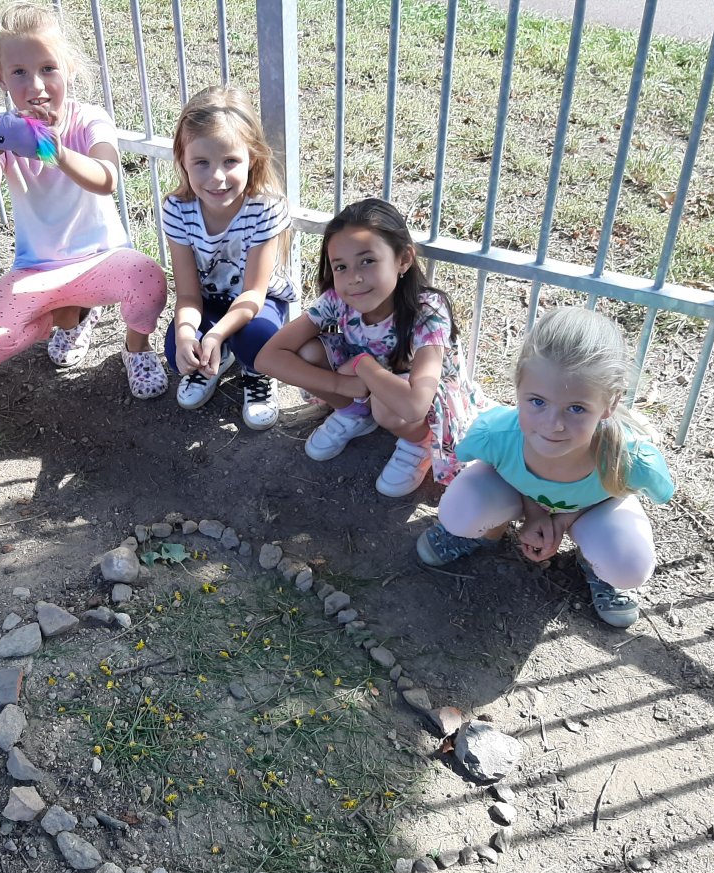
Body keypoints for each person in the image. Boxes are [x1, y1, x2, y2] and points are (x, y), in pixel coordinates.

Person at [0, 1, 169, 399]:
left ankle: (136, 348)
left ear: (68, 68)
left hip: (103, 260)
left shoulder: (88, 119)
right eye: (19, 72)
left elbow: (106, 179)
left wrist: (54, 153)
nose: (36, 85)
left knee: (149, 277)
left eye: (48, 68)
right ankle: (72, 317)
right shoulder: (1, 130)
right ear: (1, 77)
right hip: (38, 269)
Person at [415, 307, 675, 628]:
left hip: (594, 508)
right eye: (537, 401)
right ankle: (488, 533)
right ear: (518, 386)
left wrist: (562, 521)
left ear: (611, 403)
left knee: (629, 564)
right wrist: (535, 514)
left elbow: (639, 492)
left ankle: (595, 563)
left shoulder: (629, 460)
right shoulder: (495, 435)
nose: (553, 424)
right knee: (459, 510)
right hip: (518, 495)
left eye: (576, 408)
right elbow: (495, 468)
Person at [256, 198, 487, 494]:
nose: (354, 278)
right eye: (341, 266)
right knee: (307, 353)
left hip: (417, 399)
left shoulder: (427, 311)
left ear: (403, 259)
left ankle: (418, 441)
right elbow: (268, 358)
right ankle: (354, 413)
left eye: (367, 261)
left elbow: (415, 404)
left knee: (386, 406)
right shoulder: (337, 300)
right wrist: (340, 384)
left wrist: (362, 366)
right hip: (364, 382)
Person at [163, 85, 294, 430]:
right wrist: (188, 334)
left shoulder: (265, 207)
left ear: (253, 158)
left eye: (230, 161)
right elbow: (188, 294)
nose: (217, 177)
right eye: (201, 163)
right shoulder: (177, 209)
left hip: (259, 303)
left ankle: (256, 372)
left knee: (257, 340)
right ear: (182, 159)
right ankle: (214, 358)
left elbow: (253, 294)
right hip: (209, 301)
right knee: (175, 350)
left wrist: (216, 333)